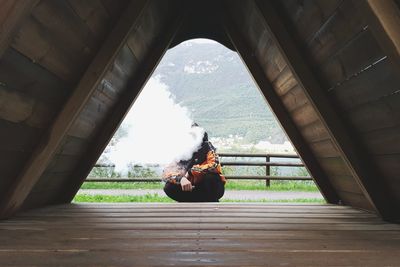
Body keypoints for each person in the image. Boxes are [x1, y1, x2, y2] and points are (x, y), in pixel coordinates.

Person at [162, 126, 226, 202]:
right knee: (169, 187)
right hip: (189, 188)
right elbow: (167, 172)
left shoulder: (207, 147)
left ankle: (202, 200)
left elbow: (214, 166)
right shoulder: (179, 151)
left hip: (206, 187)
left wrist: (191, 172)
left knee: (211, 178)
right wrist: (181, 179)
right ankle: (194, 200)